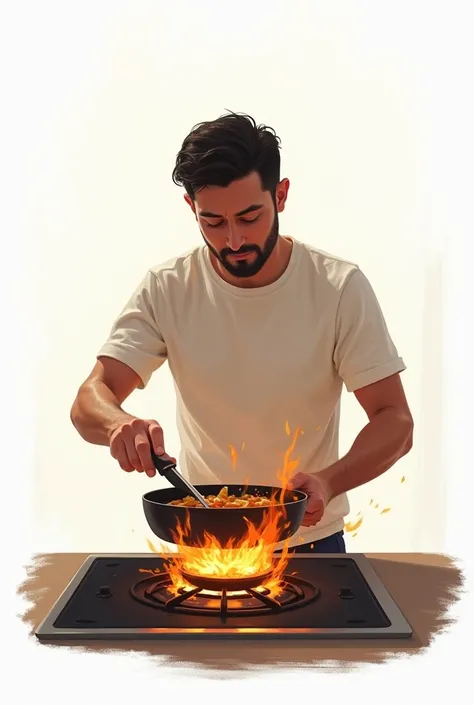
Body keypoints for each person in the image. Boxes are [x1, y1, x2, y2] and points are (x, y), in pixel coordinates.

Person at [70, 111, 413, 554]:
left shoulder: (337, 287)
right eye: (213, 222)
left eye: (250, 217)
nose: (233, 240)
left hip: (308, 540)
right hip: (204, 543)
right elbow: (89, 397)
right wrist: (119, 424)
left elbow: (395, 422)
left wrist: (329, 482)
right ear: (192, 208)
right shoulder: (168, 286)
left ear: (281, 195)